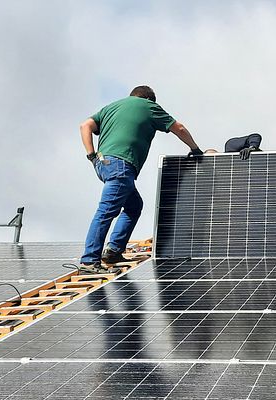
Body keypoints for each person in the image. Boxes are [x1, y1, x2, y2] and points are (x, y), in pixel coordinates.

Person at [79, 85, 202, 274]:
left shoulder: (112, 106)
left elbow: (85, 125)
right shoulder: (148, 106)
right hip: (121, 165)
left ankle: (113, 251)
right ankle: (89, 261)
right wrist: (195, 149)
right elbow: (179, 128)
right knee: (106, 211)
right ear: (149, 99)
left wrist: (91, 156)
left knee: (134, 206)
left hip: (104, 164)